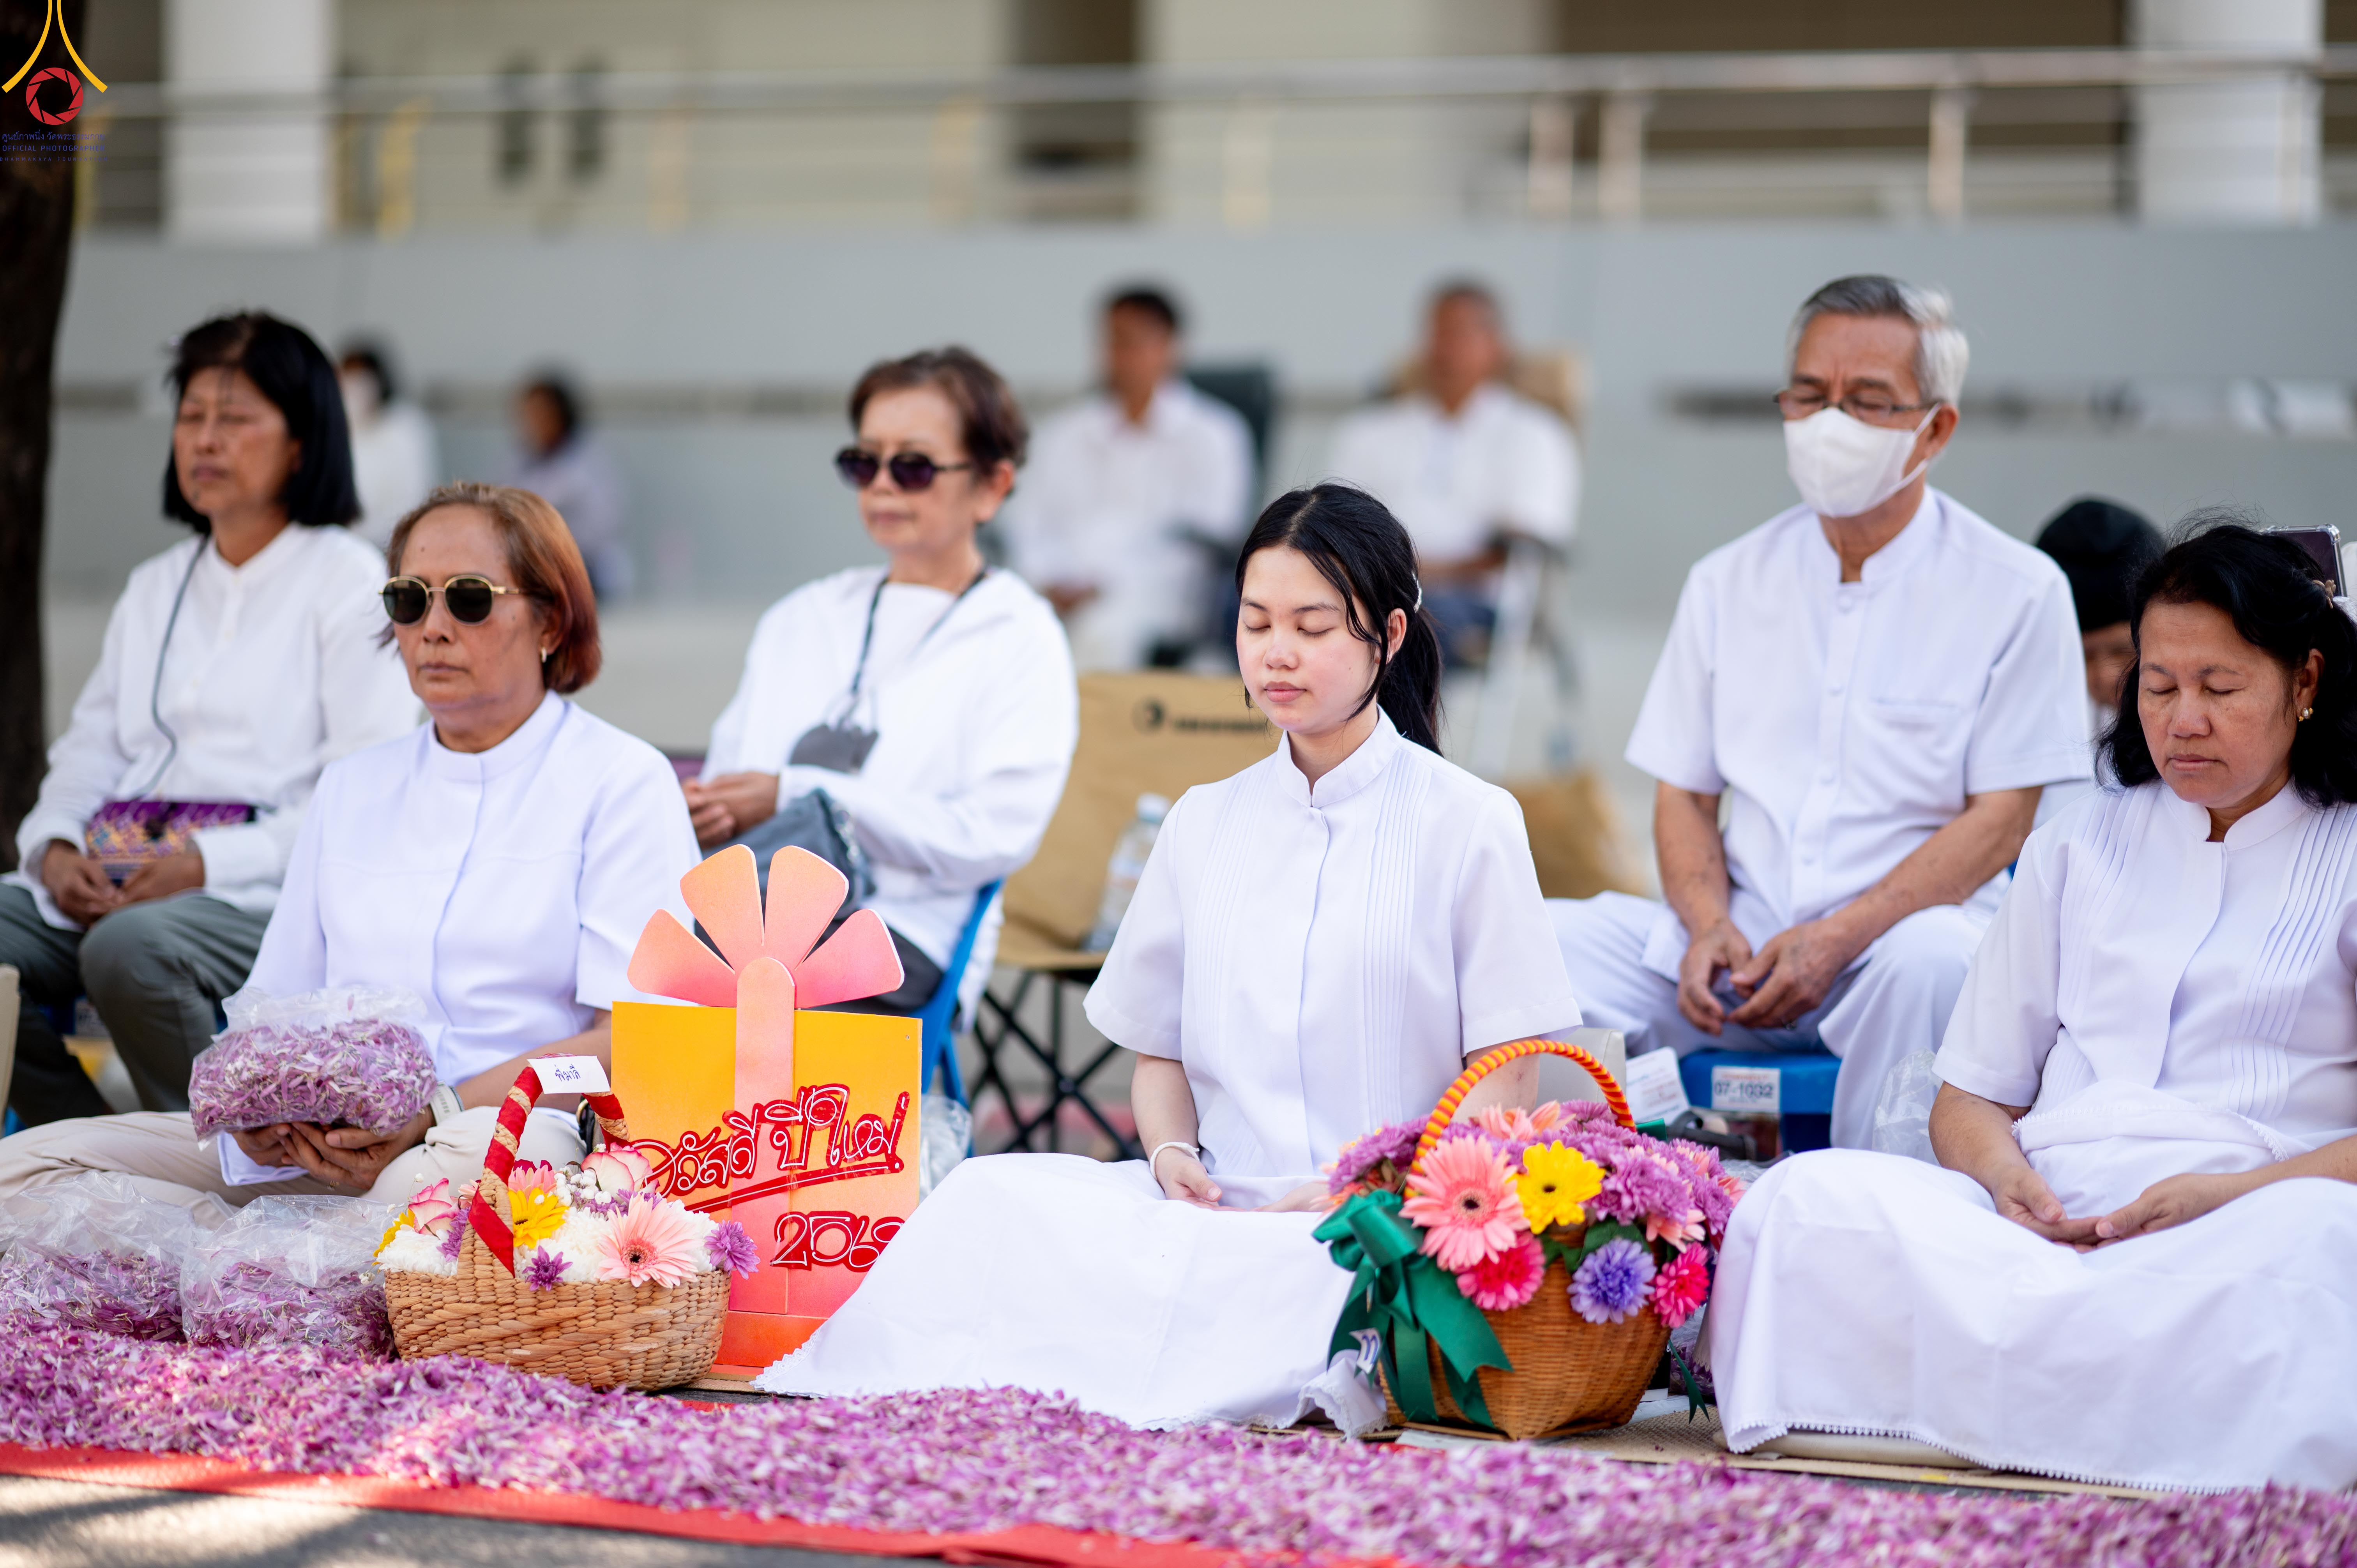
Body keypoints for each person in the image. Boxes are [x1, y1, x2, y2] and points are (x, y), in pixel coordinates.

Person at [754, 484, 1580, 1429]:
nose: (1277, 651)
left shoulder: (1470, 820)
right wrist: (1173, 1153)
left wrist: (1378, 1185)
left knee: (1311, 1278)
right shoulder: (1203, 820)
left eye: (1313, 626)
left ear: (1388, 635)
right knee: (985, 1195)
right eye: (1256, 621)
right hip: (1211, 1208)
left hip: (1367, 1224)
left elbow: (1510, 1073)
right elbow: (1161, 1055)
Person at [1710, 522, 2357, 1493]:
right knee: (1799, 1202)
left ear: (2305, 680)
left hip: (2251, 1207)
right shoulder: (2076, 844)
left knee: (2322, 1246)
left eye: (2219, 688)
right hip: (2048, 1209)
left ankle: (2006, 1415)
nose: (2183, 719)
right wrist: (2011, 1182)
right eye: (2158, 685)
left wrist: (2224, 1196)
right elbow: (1970, 1097)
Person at [0, 483, 699, 1212]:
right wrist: (264, 1107)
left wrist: (439, 1109)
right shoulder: (351, 786)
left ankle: (262, 1249)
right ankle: (255, 1248)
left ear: (550, 620)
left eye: (469, 599)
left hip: (502, 1135)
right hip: (323, 1140)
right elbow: (276, 1002)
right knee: (26, 1169)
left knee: (419, 1185)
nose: (433, 628)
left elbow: (635, 1038)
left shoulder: (621, 781)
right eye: (409, 600)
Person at [1546, 276, 2088, 1152]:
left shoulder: (2018, 591)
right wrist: (1707, 925)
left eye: (1867, 400)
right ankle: (1579, 1208)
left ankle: (1879, 1213)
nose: (1828, 422)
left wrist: (1835, 940)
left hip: (1892, 949)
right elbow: (1684, 793)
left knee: (1937, 963)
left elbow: (2002, 820)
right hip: (1738, 951)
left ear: (1935, 429)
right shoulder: (1727, 580)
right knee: (1542, 942)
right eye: (1809, 395)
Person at [0, 312, 418, 1127]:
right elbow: (89, 749)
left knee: (130, 951)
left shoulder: (348, 582)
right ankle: (89, 1142)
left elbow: (362, 793)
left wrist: (204, 863)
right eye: (192, 415)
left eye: (236, 418)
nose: (205, 439)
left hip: (261, 890)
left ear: (302, 443)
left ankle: (236, 1154)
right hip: (121, 875)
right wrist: (54, 847)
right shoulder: (154, 585)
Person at [684, 348, 1076, 1018]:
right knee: (635, 951)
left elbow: (991, 835)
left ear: (991, 485)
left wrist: (800, 793)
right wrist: (715, 808)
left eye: (913, 466)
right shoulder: (803, 616)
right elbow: (734, 781)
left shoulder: (1020, 635)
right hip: (750, 921)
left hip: (898, 934)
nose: (883, 486)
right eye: (864, 463)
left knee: (725, 986)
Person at [998, 285, 1254, 671]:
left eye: (1135, 342)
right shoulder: (1062, 435)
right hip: (1055, 597)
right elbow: (1027, 526)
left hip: (1162, 601)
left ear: (1170, 347)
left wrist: (1104, 586)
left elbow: (1210, 541)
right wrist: (1050, 580)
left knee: (1101, 636)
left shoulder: (1216, 436)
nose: (1120, 356)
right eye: (1113, 341)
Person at [1325, 281, 1579, 667]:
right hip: (1368, 587)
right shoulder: (1370, 430)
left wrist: (1415, 573)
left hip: (1470, 602)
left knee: (1406, 622)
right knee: (1255, 607)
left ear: (1500, 348)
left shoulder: (1535, 435)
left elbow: (1519, 542)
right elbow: (1331, 523)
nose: (1446, 348)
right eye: (1438, 333)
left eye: (1461, 333)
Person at [508, 372, 631, 601]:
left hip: (587, 571)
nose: (533, 422)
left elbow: (603, 524)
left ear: (561, 414)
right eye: (528, 414)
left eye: (542, 413)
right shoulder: (517, 462)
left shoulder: (591, 462)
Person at [338, 339, 440, 550]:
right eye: (348, 377)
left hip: (395, 542)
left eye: (361, 378)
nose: (354, 387)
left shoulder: (405, 425)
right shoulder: (342, 428)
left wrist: (369, 535)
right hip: (346, 540)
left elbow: (413, 496)